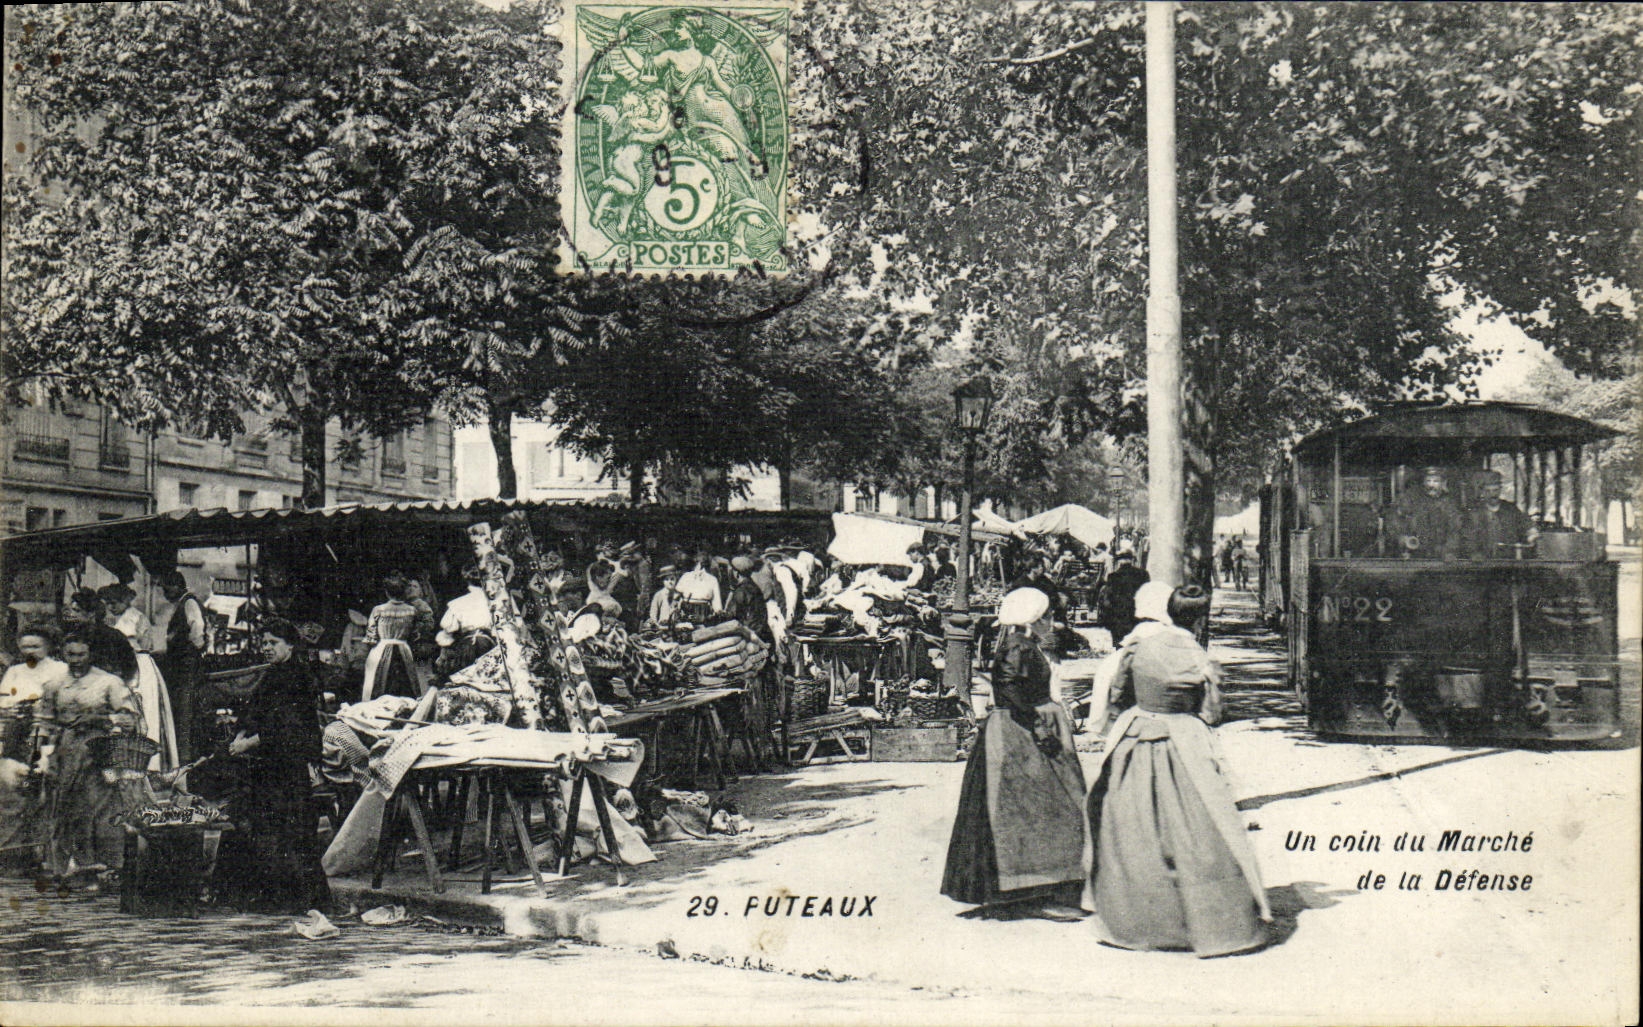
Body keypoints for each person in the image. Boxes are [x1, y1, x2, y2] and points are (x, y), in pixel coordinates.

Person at [1083, 584, 1270, 957]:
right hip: (1184, 738)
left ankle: (1131, 916)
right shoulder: (1201, 659)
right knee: (1202, 827)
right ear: (1201, 618)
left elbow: (1119, 696)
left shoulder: (1139, 647)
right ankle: (1209, 921)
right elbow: (1212, 712)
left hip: (1136, 735)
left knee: (1129, 828)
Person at [941, 588, 1086, 920]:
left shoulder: (1021, 646)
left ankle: (1035, 889)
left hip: (1020, 732)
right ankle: (1036, 892)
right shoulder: (1017, 649)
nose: (1052, 623)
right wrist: (1040, 727)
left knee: (1036, 811)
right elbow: (1012, 691)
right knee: (1038, 811)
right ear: (1033, 620)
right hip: (1017, 738)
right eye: (1047, 617)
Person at [205, 618, 332, 914]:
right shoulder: (273, 674)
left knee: (289, 832)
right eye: (264, 643)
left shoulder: (299, 676)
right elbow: (254, 712)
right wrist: (239, 733)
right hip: (267, 764)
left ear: (290, 644)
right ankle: (261, 896)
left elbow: (288, 726)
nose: (267, 648)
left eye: (273, 643)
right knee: (257, 827)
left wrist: (248, 743)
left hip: (288, 765)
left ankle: (293, 899)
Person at [37, 633, 146, 882]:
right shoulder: (55, 683)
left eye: (81, 654)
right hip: (66, 751)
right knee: (66, 807)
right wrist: (43, 755)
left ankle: (108, 866)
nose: (75, 660)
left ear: (91, 655)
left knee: (101, 806)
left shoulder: (109, 683)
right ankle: (70, 866)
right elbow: (45, 722)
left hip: (100, 749)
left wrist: (102, 719)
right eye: (70, 654)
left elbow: (130, 718)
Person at [154, 570, 207, 761]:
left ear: (176, 586)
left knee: (185, 714)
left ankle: (186, 759)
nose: (165, 594)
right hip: (180, 667)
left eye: (167, 589)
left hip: (187, 668)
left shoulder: (189, 603)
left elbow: (198, 632)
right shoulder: (181, 604)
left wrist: (189, 651)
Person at [2, 629, 63, 761]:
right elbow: (4, 697)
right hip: (19, 720)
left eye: (35, 646)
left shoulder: (61, 669)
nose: (30, 651)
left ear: (48, 646)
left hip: (48, 721)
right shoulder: (15, 670)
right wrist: (11, 706)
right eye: (25, 647)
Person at [63, 589, 137, 685]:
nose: (72, 615)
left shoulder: (112, 637)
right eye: (71, 610)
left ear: (91, 613)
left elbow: (129, 667)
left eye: (77, 611)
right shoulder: (73, 635)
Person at [434, 563, 494, 679]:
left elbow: (446, 637)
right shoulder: (498, 602)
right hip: (490, 649)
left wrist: (443, 659)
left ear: (467, 581)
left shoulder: (458, 604)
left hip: (466, 651)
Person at [1391, 466, 1464, 560]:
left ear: (1443, 483)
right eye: (1428, 480)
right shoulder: (1412, 501)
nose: (1431, 485)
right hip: (1414, 554)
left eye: (1436, 481)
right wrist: (1403, 540)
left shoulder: (1449, 504)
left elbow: (1455, 530)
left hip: (1442, 556)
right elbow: (1396, 524)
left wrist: (1448, 551)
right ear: (1423, 482)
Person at [1463, 470, 1537, 558]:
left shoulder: (1511, 509)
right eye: (1488, 491)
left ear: (1500, 489)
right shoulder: (1474, 513)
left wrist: (1532, 534)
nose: (1492, 494)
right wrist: (1475, 554)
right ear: (1482, 492)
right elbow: (1468, 540)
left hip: (1510, 561)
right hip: (1484, 562)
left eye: (1495, 490)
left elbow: (1527, 526)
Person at [1097, 544, 1150, 649]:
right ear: (1132, 560)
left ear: (1119, 561)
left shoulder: (1113, 576)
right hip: (1138, 615)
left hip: (1119, 617)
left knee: (1120, 647)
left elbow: (1109, 599)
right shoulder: (1143, 574)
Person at [676, 549, 724, 623]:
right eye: (697, 564)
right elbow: (676, 596)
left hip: (704, 613)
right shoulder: (686, 576)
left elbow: (716, 601)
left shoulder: (712, 580)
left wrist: (718, 612)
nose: (699, 568)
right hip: (687, 611)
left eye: (703, 564)